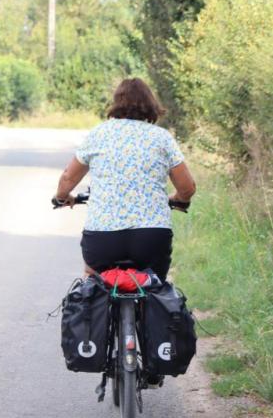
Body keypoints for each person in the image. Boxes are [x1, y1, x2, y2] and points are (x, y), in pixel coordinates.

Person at [54, 78, 196, 283]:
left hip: (102, 240)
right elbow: (187, 188)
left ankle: (93, 311)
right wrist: (178, 198)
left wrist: (62, 197)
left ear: (116, 104)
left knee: (93, 279)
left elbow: (68, 178)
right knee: (156, 285)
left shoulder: (98, 134)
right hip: (151, 239)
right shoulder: (162, 138)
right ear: (151, 105)